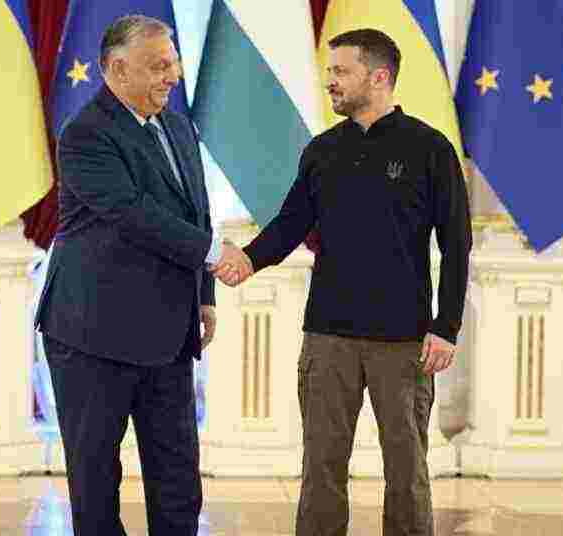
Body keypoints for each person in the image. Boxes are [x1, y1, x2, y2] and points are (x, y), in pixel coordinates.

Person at [214, 29, 472, 536]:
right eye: (329, 71)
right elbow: (290, 225)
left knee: (407, 468)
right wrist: (246, 260)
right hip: (328, 335)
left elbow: (456, 244)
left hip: (404, 339)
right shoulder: (323, 150)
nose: (330, 81)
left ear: (379, 77)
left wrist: (446, 326)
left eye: (340, 71)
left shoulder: (430, 148)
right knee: (321, 465)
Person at [33, 14, 249, 536]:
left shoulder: (178, 126)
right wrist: (216, 254)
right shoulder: (84, 134)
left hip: (168, 333)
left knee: (178, 477)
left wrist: (204, 295)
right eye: (158, 66)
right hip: (91, 336)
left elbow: (196, 210)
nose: (172, 76)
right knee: (95, 481)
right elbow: (133, 214)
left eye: (173, 63)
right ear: (116, 69)